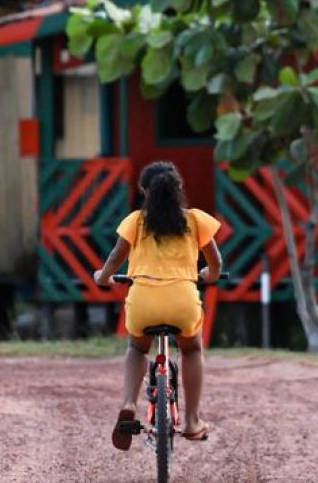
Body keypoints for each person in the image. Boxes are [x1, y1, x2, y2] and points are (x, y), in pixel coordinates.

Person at [92, 160, 223, 448]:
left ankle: (128, 403)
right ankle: (191, 421)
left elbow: (115, 258)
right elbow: (216, 264)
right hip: (182, 300)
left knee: (137, 347)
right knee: (191, 349)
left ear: (144, 191)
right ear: (180, 188)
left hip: (144, 300)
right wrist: (208, 275)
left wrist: (103, 277)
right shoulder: (195, 220)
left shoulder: (136, 221)